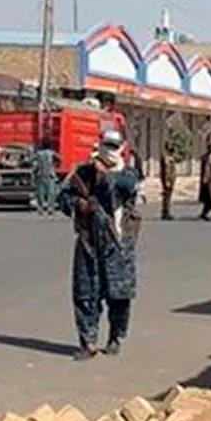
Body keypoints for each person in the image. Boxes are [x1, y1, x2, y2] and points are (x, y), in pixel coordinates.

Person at [61, 132, 141, 361]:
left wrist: (105, 173)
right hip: (89, 240)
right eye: (107, 145)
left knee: (119, 295)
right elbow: (64, 198)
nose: (110, 150)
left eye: (114, 146)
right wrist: (80, 204)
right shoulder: (84, 173)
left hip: (118, 243)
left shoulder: (127, 174)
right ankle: (88, 342)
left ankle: (116, 337)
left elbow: (125, 189)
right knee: (86, 292)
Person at [31, 141, 62, 216]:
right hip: (50, 175)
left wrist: (35, 168)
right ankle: (50, 209)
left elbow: (31, 159)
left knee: (40, 193)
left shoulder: (39, 153)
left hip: (41, 174)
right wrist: (55, 164)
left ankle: (40, 209)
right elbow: (59, 158)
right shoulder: (51, 153)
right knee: (51, 193)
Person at [158, 145, 178, 221]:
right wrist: (167, 181)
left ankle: (165, 212)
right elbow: (167, 170)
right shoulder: (167, 158)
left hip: (170, 179)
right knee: (167, 197)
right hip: (168, 179)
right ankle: (166, 212)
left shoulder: (169, 157)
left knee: (167, 196)